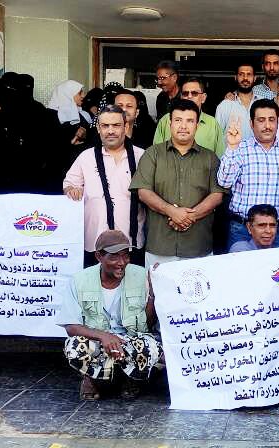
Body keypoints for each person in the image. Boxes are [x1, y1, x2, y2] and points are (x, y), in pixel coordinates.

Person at [56, 230, 161, 400]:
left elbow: (147, 326)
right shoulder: (79, 280)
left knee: (152, 346)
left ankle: (130, 378)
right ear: (99, 256)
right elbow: (71, 327)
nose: (122, 262)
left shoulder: (142, 275)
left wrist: (152, 296)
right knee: (74, 346)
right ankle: (91, 378)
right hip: (98, 342)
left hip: (130, 341)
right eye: (114, 257)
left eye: (125, 255)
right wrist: (104, 336)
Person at [130, 100, 226, 267]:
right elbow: (143, 192)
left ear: (197, 126)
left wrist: (190, 216)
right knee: (158, 285)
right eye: (178, 120)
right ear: (170, 124)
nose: (183, 126)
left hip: (198, 245)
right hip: (160, 246)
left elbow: (217, 195)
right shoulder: (153, 154)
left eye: (189, 121)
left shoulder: (210, 158)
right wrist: (171, 211)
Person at [64, 105, 146, 268]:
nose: (110, 131)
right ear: (98, 128)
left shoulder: (142, 156)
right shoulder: (86, 157)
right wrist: (72, 190)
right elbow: (69, 184)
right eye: (105, 126)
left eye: (116, 125)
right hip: (94, 241)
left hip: (131, 242)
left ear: (126, 127)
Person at [219, 99, 279, 248]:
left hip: (278, 230)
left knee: (278, 264)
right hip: (242, 229)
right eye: (261, 120)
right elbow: (224, 182)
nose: (267, 126)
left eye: (271, 120)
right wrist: (232, 147)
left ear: (277, 122)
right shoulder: (239, 149)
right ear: (251, 123)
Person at [153, 78, 226, 157]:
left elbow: (220, 157)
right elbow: (156, 153)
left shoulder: (212, 123)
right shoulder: (166, 120)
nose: (189, 96)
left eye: (194, 93)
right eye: (185, 93)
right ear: (181, 97)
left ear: (203, 98)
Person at [216, 61, 258, 141]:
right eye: (241, 74)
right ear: (235, 77)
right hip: (231, 149)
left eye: (249, 74)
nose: (245, 78)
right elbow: (217, 137)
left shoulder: (262, 104)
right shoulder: (224, 106)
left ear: (255, 78)